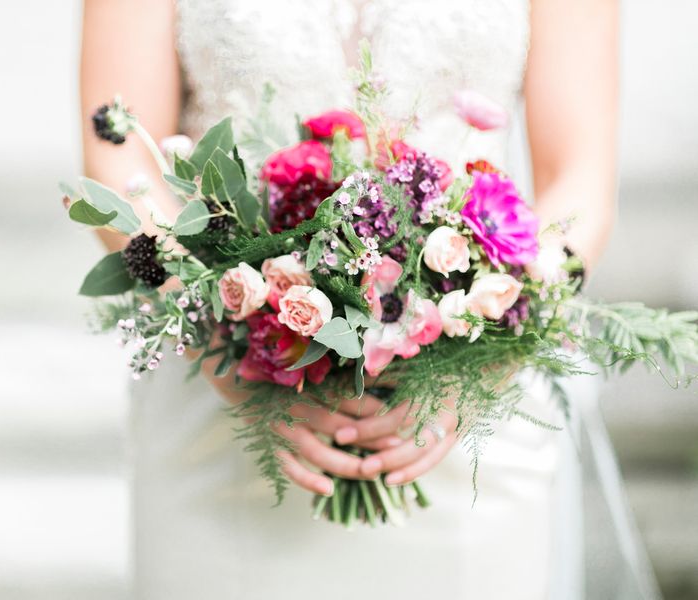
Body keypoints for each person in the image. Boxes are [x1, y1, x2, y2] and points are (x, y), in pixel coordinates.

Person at [80, 1, 618, 598]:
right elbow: (119, 156)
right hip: (225, 395)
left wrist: (491, 346)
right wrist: (224, 339)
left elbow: (581, 178)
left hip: (465, 412)